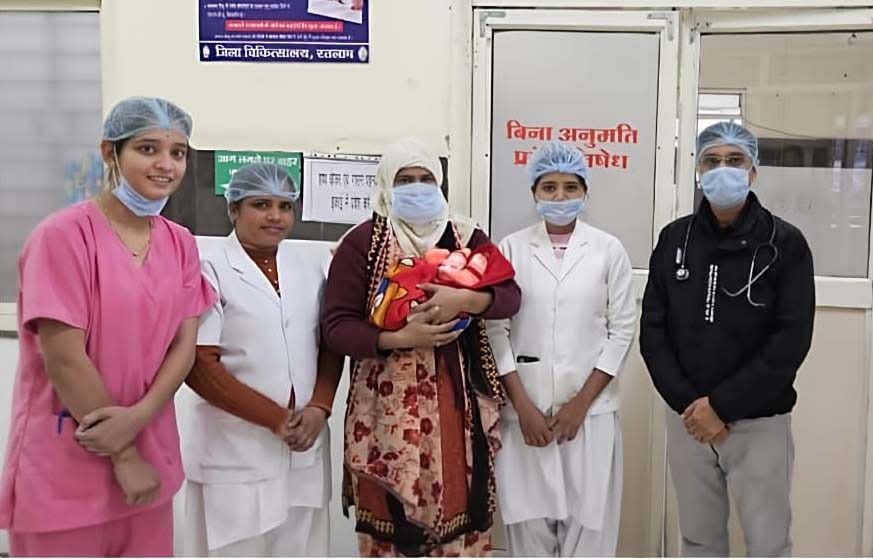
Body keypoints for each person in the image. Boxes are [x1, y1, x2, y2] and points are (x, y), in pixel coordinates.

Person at [0, 96, 215, 557]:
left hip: (150, 454)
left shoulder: (179, 243)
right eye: (147, 149)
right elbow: (64, 358)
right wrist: (124, 454)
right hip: (68, 460)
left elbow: (184, 345)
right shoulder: (62, 237)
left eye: (177, 152)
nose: (166, 165)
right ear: (109, 153)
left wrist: (139, 419)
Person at [319, 138, 521, 556]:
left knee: (458, 495)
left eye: (426, 178)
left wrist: (467, 299)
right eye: (404, 180)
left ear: (440, 183)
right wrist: (397, 339)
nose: (416, 188)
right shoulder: (362, 243)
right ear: (385, 185)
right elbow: (336, 327)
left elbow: (510, 296)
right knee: (390, 516)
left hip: (456, 398)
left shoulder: (466, 236)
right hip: (383, 405)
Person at [640, 121, 815, 557]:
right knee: (698, 540)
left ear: (753, 171)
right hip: (688, 421)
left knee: (768, 543)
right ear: (699, 171)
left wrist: (721, 406)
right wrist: (691, 406)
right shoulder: (674, 239)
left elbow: (790, 341)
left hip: (760, 421)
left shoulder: (785, 243)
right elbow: (654, 331)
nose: (723, 170)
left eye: (735, 160)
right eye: (712, 161)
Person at [181, 163, 343, 557]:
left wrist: (320, 407)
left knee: (301, 549)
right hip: (235, 449)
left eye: (285, 206)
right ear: (233, 210)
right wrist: (274, 418)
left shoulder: (308, 269)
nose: (275, 216)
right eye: (261, 205)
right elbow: (199, 365)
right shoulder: (209, 269)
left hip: (304, 447)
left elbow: (330, 344)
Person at [486, 141, 635, 557]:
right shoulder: (511, 248)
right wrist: (523, 406)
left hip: (591, 415)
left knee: (589, 530)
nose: (559, 196)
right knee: (529, 531)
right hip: (525, 415)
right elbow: (495, 329)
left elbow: (622, 330)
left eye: (570, 187)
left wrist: (579, 406)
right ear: (534, 192)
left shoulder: (608, 249)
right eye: (549, 187)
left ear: (585, 192)